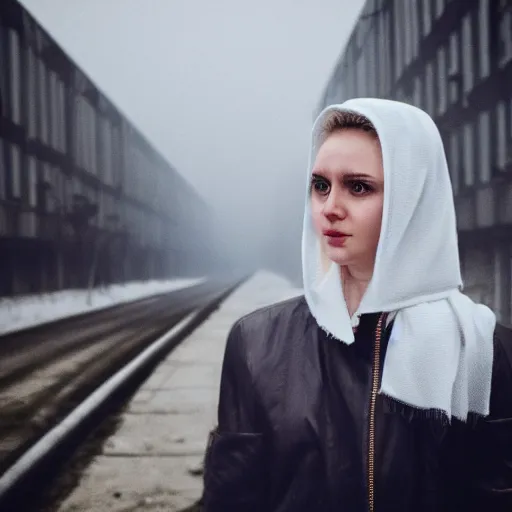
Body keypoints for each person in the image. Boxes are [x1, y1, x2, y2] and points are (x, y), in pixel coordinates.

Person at [201, 98, 512, 511]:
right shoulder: (256, 342)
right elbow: (233, 500)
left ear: (412, 200)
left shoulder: (484, 350)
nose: (330, 208)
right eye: (320, 185)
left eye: (359, 186)